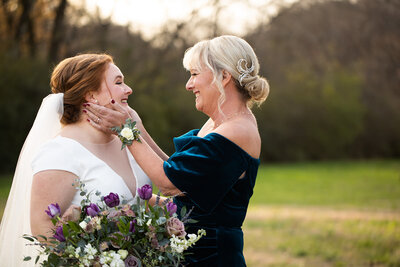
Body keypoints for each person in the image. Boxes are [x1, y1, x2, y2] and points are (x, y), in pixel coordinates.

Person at [85, 35, 269, 266]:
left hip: (213, 257)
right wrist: (137, 127)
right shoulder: (219, 123)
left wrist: (125, 131)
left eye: (194, 74)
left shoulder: (237, 131)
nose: (188, 85)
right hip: (192, 250)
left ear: (223, 76)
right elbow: (180, 175)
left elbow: (169, 184)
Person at [0, 54, 152, 266]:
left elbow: (138, 199)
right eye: (118, 82)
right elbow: (43, 228)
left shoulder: (127, 140)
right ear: (91, 96)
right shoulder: (60, 152)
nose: (128, 89)